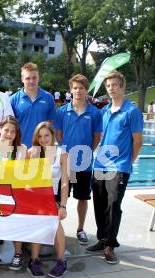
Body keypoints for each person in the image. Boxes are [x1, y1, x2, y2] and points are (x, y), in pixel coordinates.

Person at [86, 71, 143, 264]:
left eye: (114, 85)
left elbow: (137, 141)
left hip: (118, 167)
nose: (111, 88)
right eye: (108, 85)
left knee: (113, 205)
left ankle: (110, 244)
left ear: (122, 86)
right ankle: (102, 239)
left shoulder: (131, 111)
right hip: (100, 164)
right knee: (100, 204)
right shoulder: (105, 111)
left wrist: (128, 162)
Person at [54, 74, 102, 245]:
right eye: (75, 88)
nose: (78, 91)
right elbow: (58, 134)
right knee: (59, 197)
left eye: (81, 88)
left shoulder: (95, 113)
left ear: (86, 90)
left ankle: (80, 229)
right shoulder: (61, 112)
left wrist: (88, 152)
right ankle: (55, 227)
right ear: (71, 90)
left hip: (84, 163)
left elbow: (97, 136)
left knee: (83, 197)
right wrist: (64, 151)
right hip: (65, 162)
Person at [0, 116, 28, 271]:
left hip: (13, 191)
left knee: (18, 217)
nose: (9, 134)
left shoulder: (21, 149)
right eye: (6, 130)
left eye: (13, 131)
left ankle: (18, 253)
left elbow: (22, 175)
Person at [27, 122, 69, 278]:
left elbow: (65, 182)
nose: (43, 139)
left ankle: (61, 262)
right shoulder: (32, 153)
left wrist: (63, 205)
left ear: (53, 136)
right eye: (40, 136)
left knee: (57, 225)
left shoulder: (62, 154)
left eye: (47, 135)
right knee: (37, 226)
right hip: (36, 197)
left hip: (54, 197)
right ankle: (34, 261)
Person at [10, 62, 56, 148]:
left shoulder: (48, 98)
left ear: (38, 78)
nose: (31, 81)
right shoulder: (13, 99)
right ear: (22, 79)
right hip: (20, 147)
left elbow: (50, 124)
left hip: (42, 147)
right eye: (28, 78)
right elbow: (11, 126)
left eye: (34, 77)